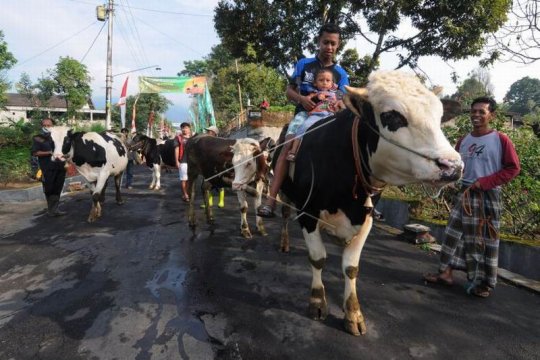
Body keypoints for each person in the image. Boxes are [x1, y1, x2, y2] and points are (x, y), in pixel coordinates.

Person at [423, 97, 520, 298]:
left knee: (484, 240)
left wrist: (484, 182)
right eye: (473, 111)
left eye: (481, 112)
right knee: (453, 234)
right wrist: (437, 176)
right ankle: (445, 273)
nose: (476, 115)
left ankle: (484, 283)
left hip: (488, 196)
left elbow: (513, 168)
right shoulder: (464, 140)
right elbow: (455, 166)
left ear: (491, 115)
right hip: (465, 193)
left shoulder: (500, 140)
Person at [257, 23, 349, 218]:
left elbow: (344, 100)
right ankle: (271, 200)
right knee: (285, 148)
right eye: (326, 42)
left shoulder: (342, 74)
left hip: (328, 119)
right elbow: (289, 90)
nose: (329, 47)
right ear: (318, 42)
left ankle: (357, 202)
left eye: (333, 44)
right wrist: (302, 99)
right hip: (303, 115)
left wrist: (338, 106)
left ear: (338, 45)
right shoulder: (303, 64)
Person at [286, 68, 339, 162]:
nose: (324, 83)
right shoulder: (314, 93)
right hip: (316, 116)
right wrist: (316, 97)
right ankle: (293, 151)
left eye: (328, 80)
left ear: (332, 84)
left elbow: (340, 102)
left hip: (331, 116)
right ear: (315, 83)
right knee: (303, 127)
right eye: (321, 80)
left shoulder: (335, 95)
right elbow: (308, 99)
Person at [31, 118, 67, 217]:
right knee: (49, 188)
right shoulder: (38, 138)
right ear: (42, 126)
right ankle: (51, 209)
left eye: (49, 125)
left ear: (53, 126)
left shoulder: (60, 137)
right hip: (47, 168)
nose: (47, 127)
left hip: (60, 167)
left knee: (58, 187)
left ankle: (54, 209)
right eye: (45, 125)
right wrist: (50, 152)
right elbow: (35, 152)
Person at [200, 125, 225, 209]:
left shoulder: (220, 142)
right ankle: (209, 202)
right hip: (207, 166)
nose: (207, 132)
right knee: (206, 185)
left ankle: (221, 201)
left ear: (214, 133)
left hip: (218, 166)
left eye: (209, 131)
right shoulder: (205, 142)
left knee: (220, 184)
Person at [175, 122, 192, 202]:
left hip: (192, 161)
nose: (184, 129)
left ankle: (186, 193)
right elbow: (176, 149)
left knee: (189, 179)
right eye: (183, 128)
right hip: (183, 161)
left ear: (189, 129)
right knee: (184, 179)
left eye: (186, 128)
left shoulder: (193, 138)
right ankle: (185, 194)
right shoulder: (178, 138)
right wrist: (177, 161)